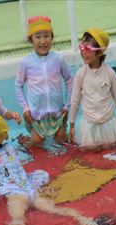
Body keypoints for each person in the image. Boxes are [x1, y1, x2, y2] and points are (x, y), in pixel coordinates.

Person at [0, 113, 116, 225]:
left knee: (18, 219)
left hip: (16, 196)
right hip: (30, 188)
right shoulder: (10, 147)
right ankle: (85, 220)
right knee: (55, 210)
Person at [14, 15, 73, 146]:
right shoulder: (26, 63)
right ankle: (25, 143)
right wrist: (25, 108)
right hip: (36, 114)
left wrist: (67, 105)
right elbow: (18, 86)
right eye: (38, 37)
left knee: (61, 139)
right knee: (36, 143)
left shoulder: (58, 59)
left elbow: (69, 81)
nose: (43, 41)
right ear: (31, 40)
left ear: (52, 38)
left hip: (57, 112)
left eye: (47, 36)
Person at [68, 28, 116, 147]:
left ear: (100, 52)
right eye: (81, 47)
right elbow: (75, 101)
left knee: (111, 151)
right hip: (88, 125)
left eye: (87, 49)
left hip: (109, 124)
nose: (83, 52)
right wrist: (71, 126)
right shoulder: (80, 74)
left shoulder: (110, 73)